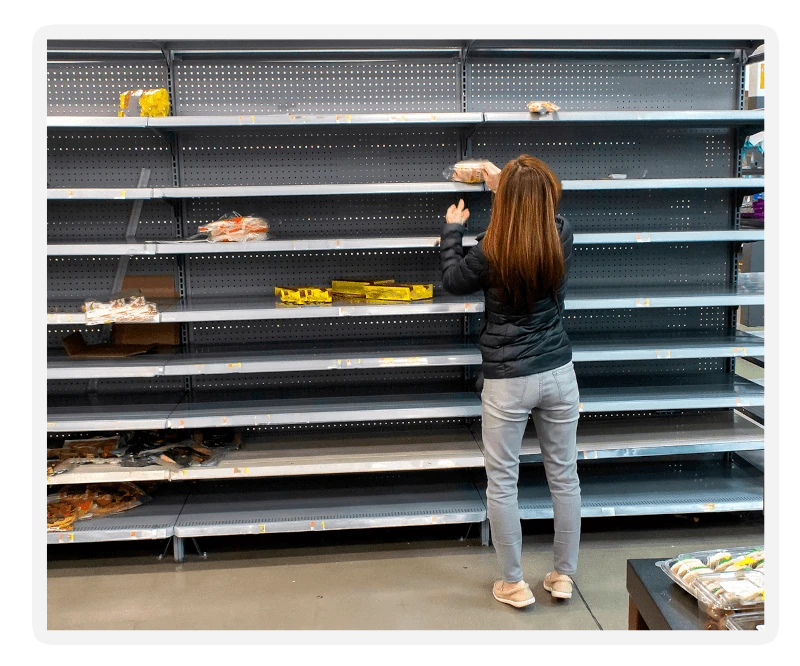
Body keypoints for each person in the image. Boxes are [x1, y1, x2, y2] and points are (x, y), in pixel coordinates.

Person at [440, 155, 581, 609]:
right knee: (564, 477)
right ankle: (563, 577)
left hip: (508, 378)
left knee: (503, 481)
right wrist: (514, 186)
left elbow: (453, 279)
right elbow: (546, 212)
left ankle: (514, 583)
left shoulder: (489, 249)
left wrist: (452, 230)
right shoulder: (560, 235)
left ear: (507, 201)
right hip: (559, 373)